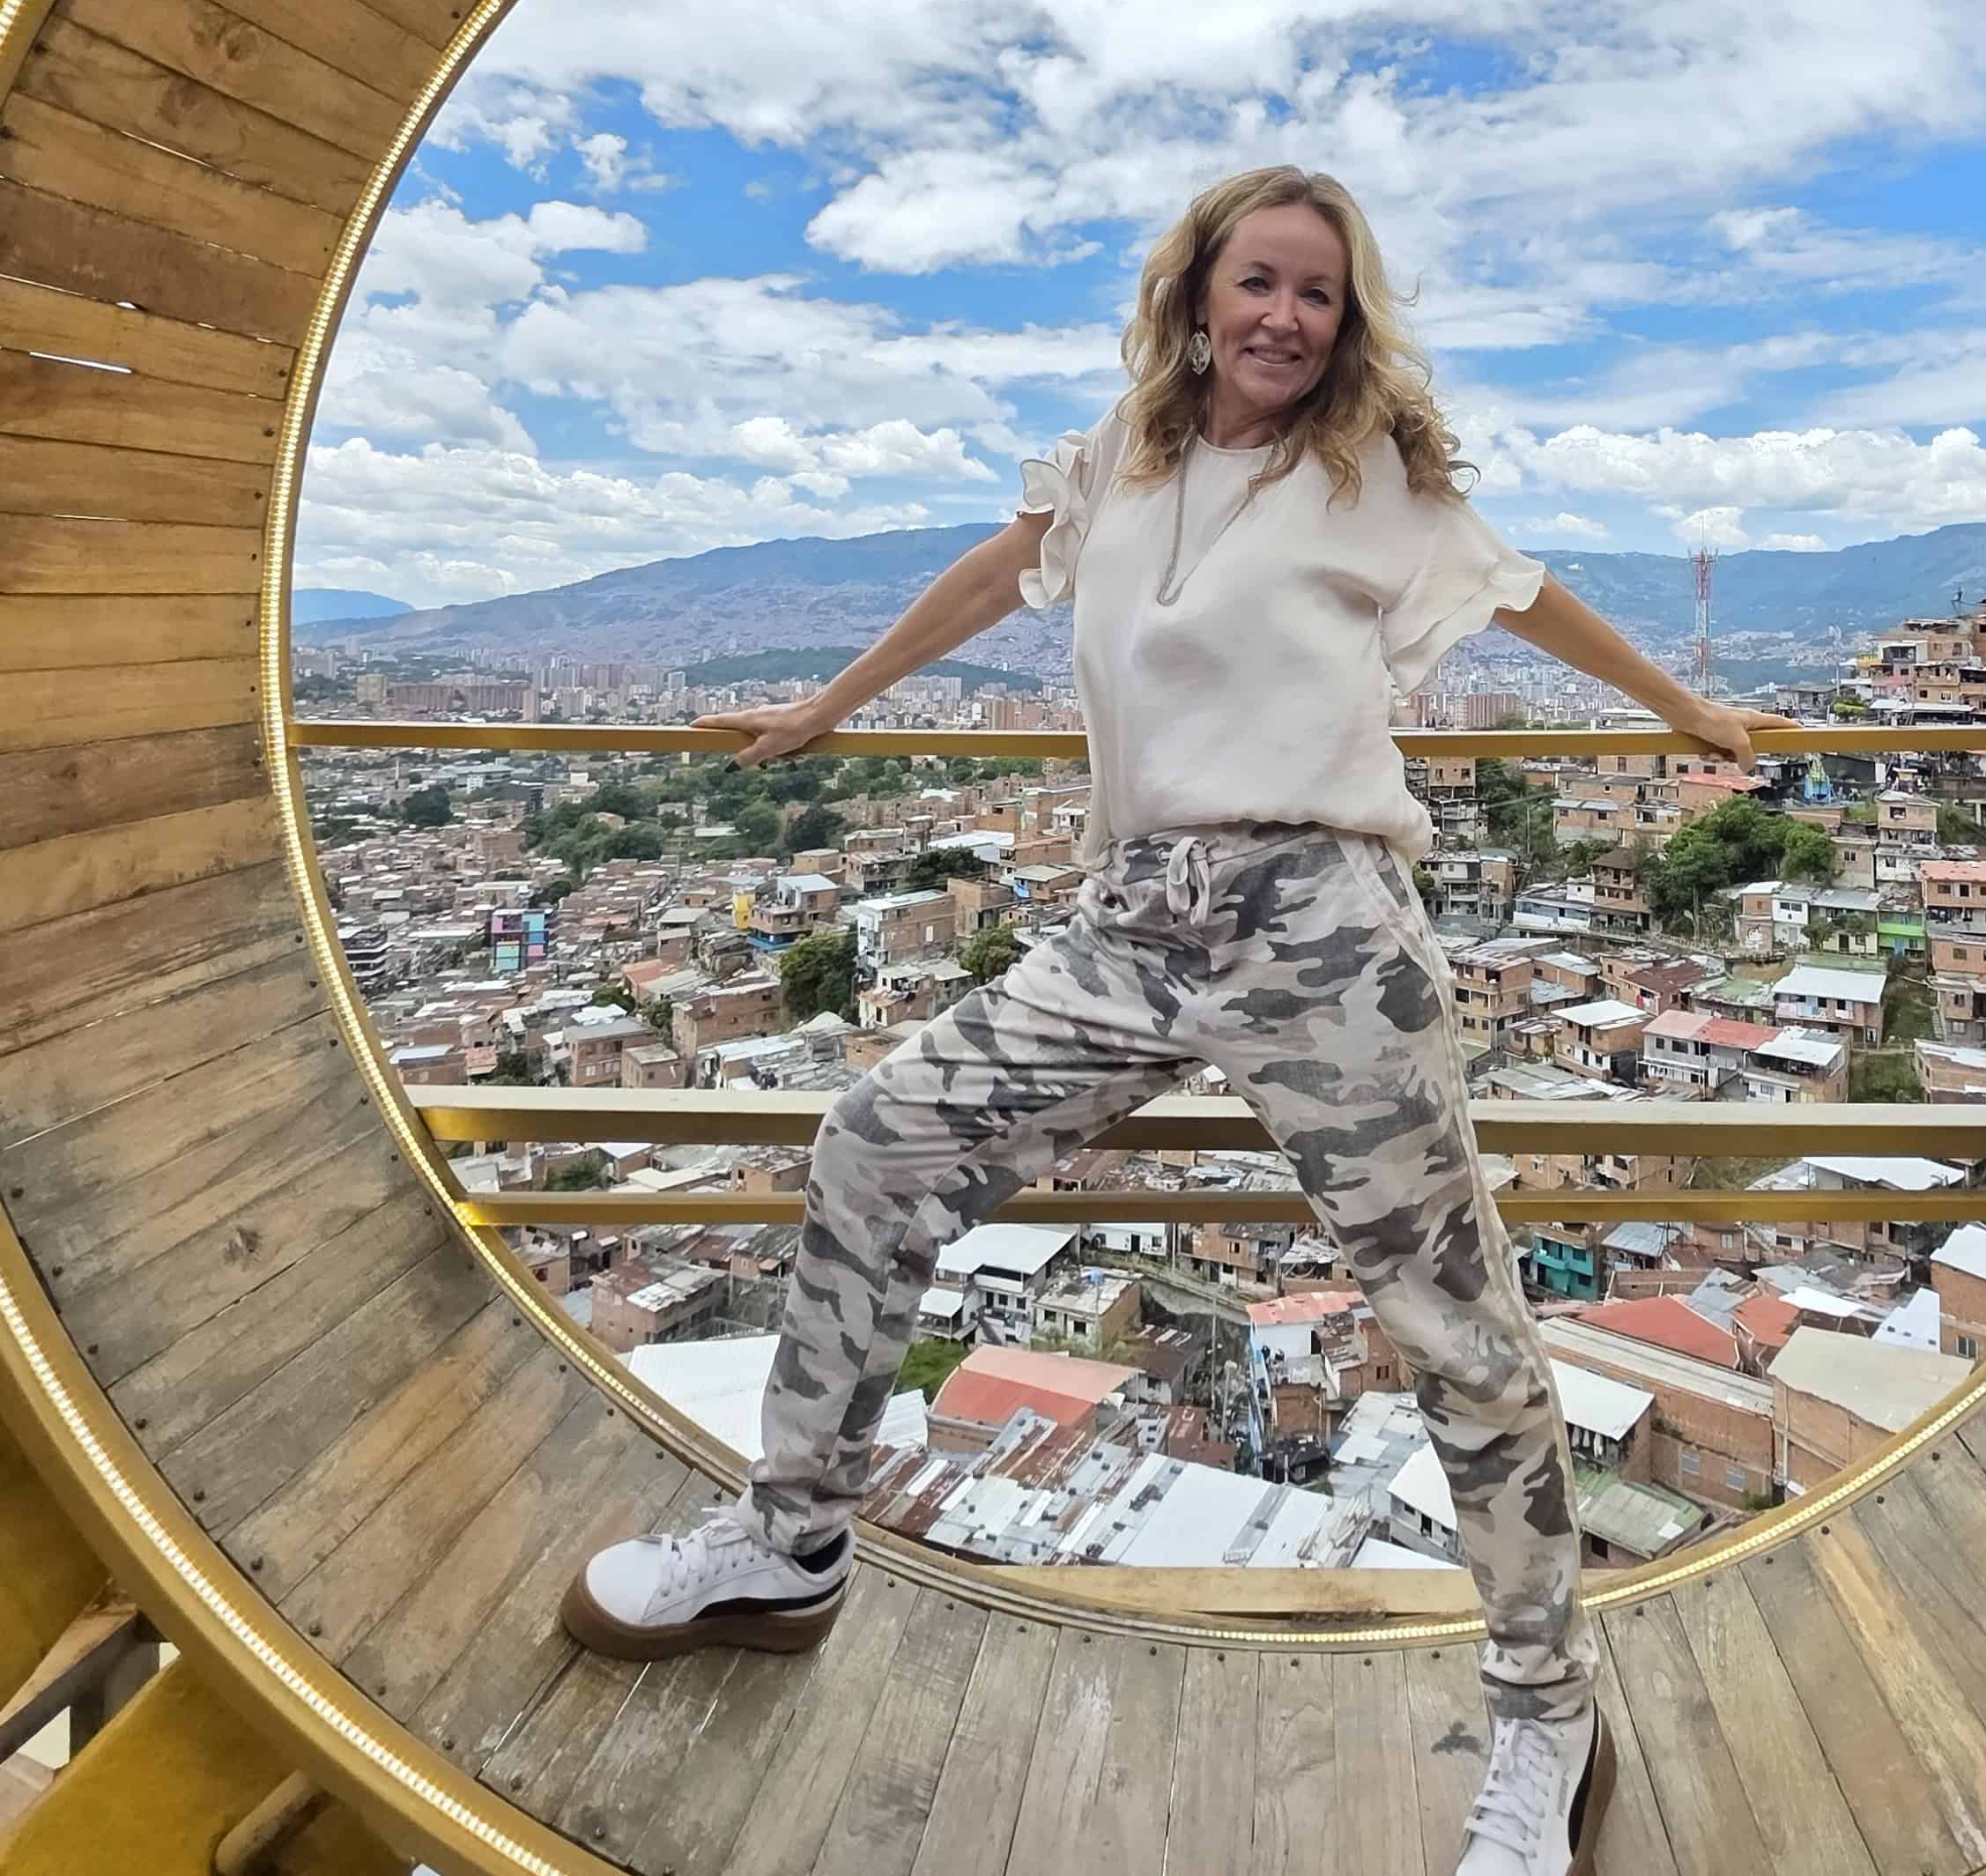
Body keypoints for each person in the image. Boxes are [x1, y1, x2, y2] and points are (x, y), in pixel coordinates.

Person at [561, 166, 1790, 1876]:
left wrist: (1686, 706)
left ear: (1344, 319)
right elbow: (997, 575)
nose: (1284, 315)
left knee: (1449, 1322)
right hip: (1127, 919)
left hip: (1322, 931)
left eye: (1317, 291)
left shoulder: (1376, 479)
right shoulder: (1117, 465)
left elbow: (1525, 593)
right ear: (1195, 295)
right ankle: (791, 1540)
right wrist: (830, 701)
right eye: (1258, 281)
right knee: (873, 1140)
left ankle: (1541, 1702)